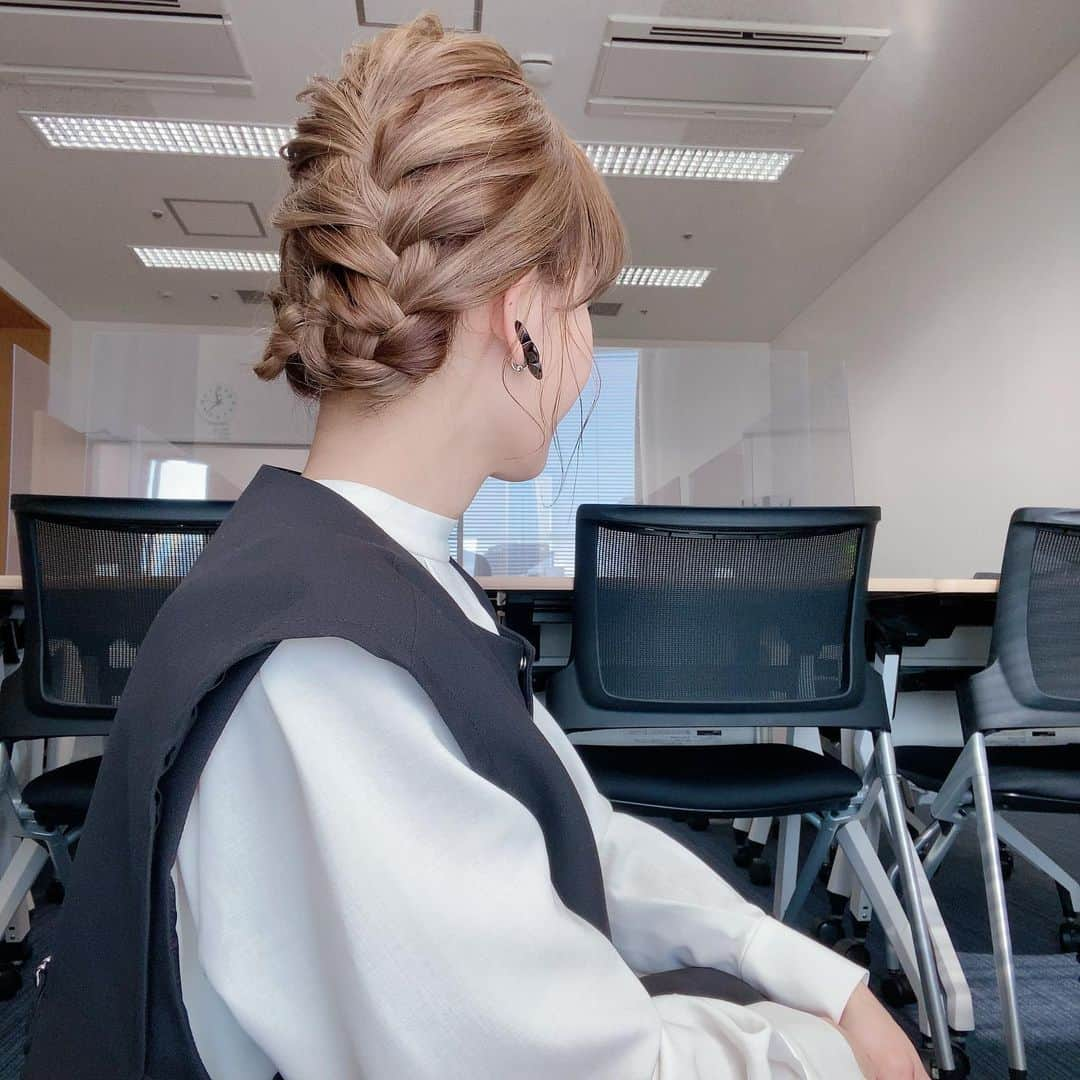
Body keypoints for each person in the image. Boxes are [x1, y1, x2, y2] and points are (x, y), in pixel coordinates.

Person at [24, 14, 929, 1080]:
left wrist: (802, 970)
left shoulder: (379, 576)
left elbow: (575, 836)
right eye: (586, 307)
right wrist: (832, 1059)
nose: (586, 356)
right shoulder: (328, 666)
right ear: (523, 317)